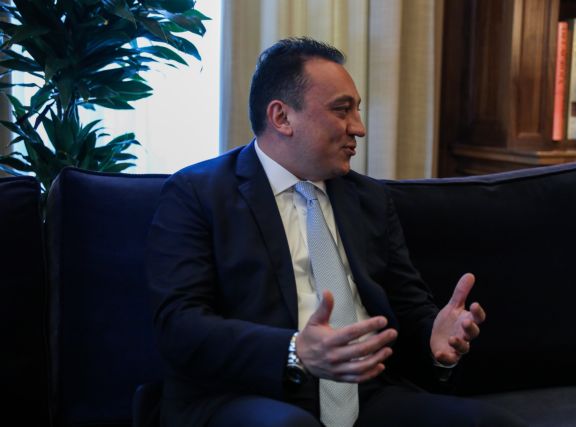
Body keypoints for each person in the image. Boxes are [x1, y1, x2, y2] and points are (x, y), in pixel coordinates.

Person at [146, 37, 525, 427]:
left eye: (357, 110)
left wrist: (434, 337)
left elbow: (408, 306)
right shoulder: (198, 194)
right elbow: (179, 324)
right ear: (281, 117)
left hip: (365, 393)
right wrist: (295, 350)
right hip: (251, 393)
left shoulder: (369, 199)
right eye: (342, 110)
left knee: (493, 424)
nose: (359, 128)